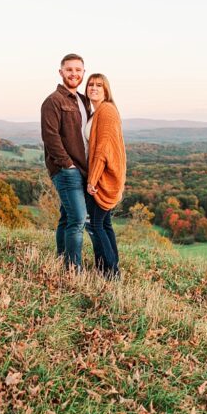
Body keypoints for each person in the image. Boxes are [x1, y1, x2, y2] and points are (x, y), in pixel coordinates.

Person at [40, 53, 92, 272]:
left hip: (83, 169)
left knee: (67, 217)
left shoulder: (83, 100)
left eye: (78, 70)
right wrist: (67, 164)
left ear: (83, 72)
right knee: (79, 220)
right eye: (69, 69)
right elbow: (50, 136)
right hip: (66, 169)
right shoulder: (53, 101)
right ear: (61, 72)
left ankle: (61, 262)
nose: (74, 74)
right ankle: (74, 270)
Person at [85, 73, 125, 279]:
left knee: (95, 224)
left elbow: (103, 149)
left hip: (102, 179)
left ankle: (111, 271)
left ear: (106, 89)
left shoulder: (106, 110)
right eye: (90, 84)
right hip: (99, 176)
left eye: (99, 85)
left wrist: (92, 179)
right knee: (104, 223)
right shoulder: (96, 112)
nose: (93, 87)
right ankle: (106, 268)